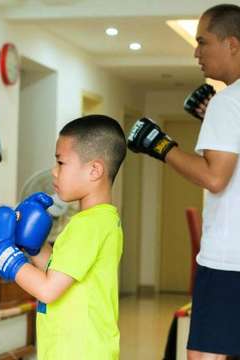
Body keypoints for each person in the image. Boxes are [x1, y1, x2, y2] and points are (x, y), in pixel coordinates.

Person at [127, 4, 240, 360]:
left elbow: (214, 177)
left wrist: (161, 145)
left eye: (203, 42)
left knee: (205, 356)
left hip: (228, 260)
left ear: (233, 44)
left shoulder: (229, 102)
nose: (196, 52)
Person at [0, 114, 127, 360]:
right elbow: (60, 274)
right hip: (75, 349)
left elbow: (48, 289)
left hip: (79, 352)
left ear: (95, 170)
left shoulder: (88, 224)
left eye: (61, 163)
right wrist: (36, 247)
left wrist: (4, 255)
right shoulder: (100, 220)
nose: (54, 173)